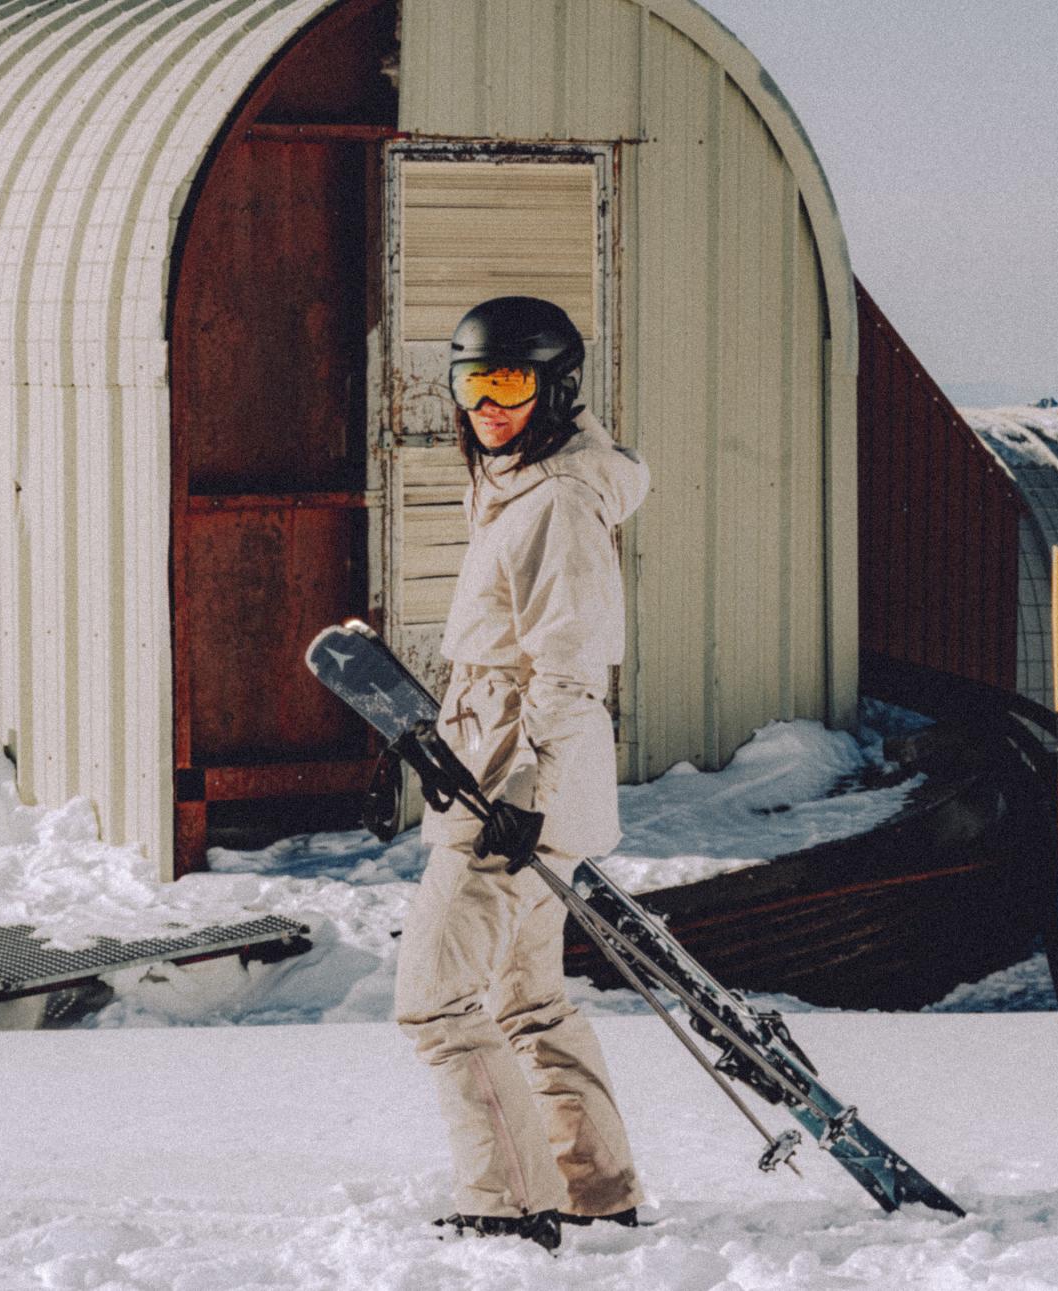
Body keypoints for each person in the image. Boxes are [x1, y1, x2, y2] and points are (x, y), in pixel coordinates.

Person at [393, 296, 650, 1252]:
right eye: (472, 382)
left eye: (509, 383)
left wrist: (521, 795)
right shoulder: (516, 482)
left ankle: (507, 1198)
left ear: (555, 386)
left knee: (433, 994)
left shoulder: (554, 502)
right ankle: (598, 1188)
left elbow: (571, 668)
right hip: (502, 770)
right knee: (525, 997)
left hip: (518, 788)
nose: (487, 404)